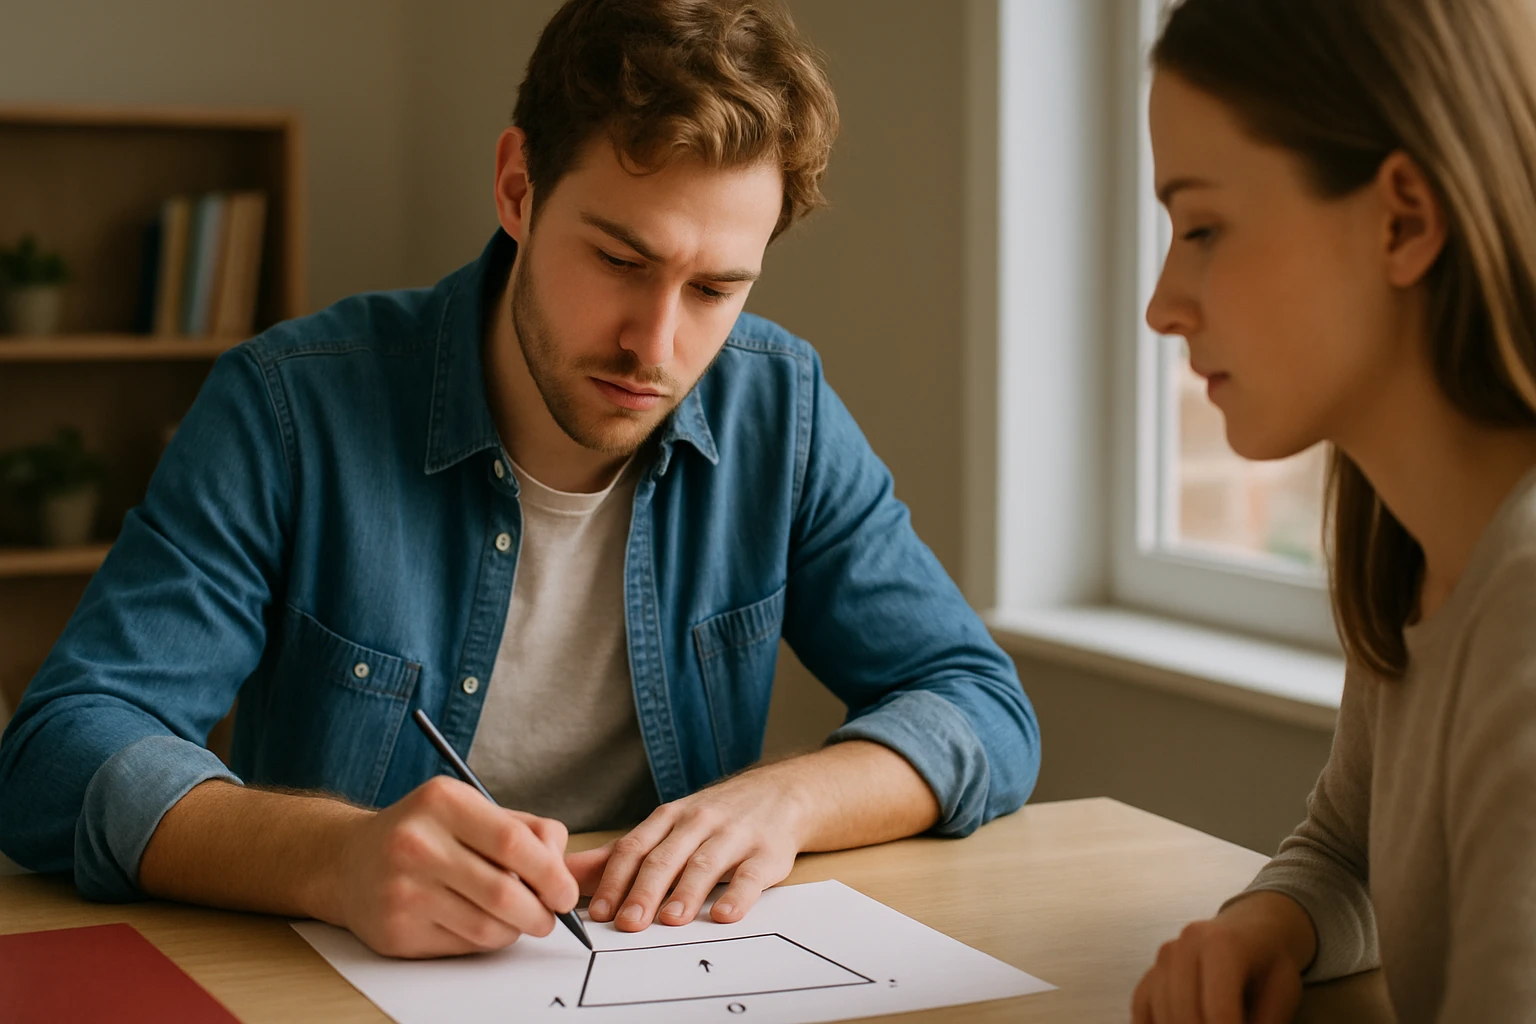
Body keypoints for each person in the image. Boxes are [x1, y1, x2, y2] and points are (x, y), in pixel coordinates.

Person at [0, 0, 1039, 960]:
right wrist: (335, 859)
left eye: (716, 289)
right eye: (620, 261)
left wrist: (789, 802)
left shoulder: (782, 410)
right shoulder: (288, 407)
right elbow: (57, 754)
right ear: (517, 188)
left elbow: (980, 704)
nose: (656, 346)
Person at [1131, 0, 1536, 1021]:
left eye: (1204, 228)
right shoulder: (1419, 548)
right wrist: (1271, 923)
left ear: (1404, 220)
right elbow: (1351, 849)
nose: (1163, 305)